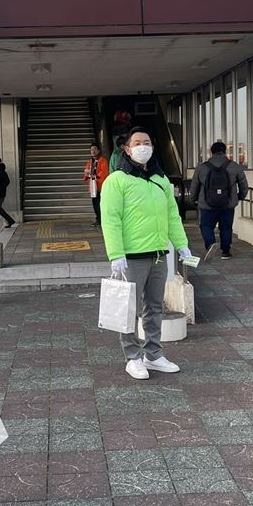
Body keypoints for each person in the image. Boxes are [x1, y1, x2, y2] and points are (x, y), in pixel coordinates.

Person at [101, 127, 193, 380]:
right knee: (129, 308)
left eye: (148, 142)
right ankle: (133, 357)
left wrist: (181, 244)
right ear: (127, 149)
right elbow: (111, 219)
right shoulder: (116, 181)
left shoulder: (160, 180)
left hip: (159, 254)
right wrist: (116, 254)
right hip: (131, 257)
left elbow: (172, 215)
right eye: (137, 143)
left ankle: (153, 354)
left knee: (154, 307)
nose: (143, 147)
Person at [188, 140, 248, 261]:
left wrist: (193, 200)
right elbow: (244, 185)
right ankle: (225, 252)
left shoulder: (201, 168)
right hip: (227, 204)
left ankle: (210, 244)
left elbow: (194, 186)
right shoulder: (235, 166)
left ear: (211, 152)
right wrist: (240, 197)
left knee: (206, 226)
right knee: (226, 228)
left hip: (207, 205)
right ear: (225, 152)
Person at [83, 143, 109, 226]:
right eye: (91, 149)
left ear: (98, 150)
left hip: (101, 185)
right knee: (95, 203)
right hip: (93, 185)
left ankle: (102, 219)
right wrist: (87, 173)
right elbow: (86, 172)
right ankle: (98, 219)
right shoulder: (90, 161)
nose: (93, 151)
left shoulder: (103, 160)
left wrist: (92, 174)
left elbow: (104, 172)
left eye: (94, 149)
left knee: (101, 203)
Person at [0, 155, 15, 231]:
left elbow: (7, 182)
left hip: (0, 195)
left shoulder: (2, 172)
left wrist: (0, 188)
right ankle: (10, 220)